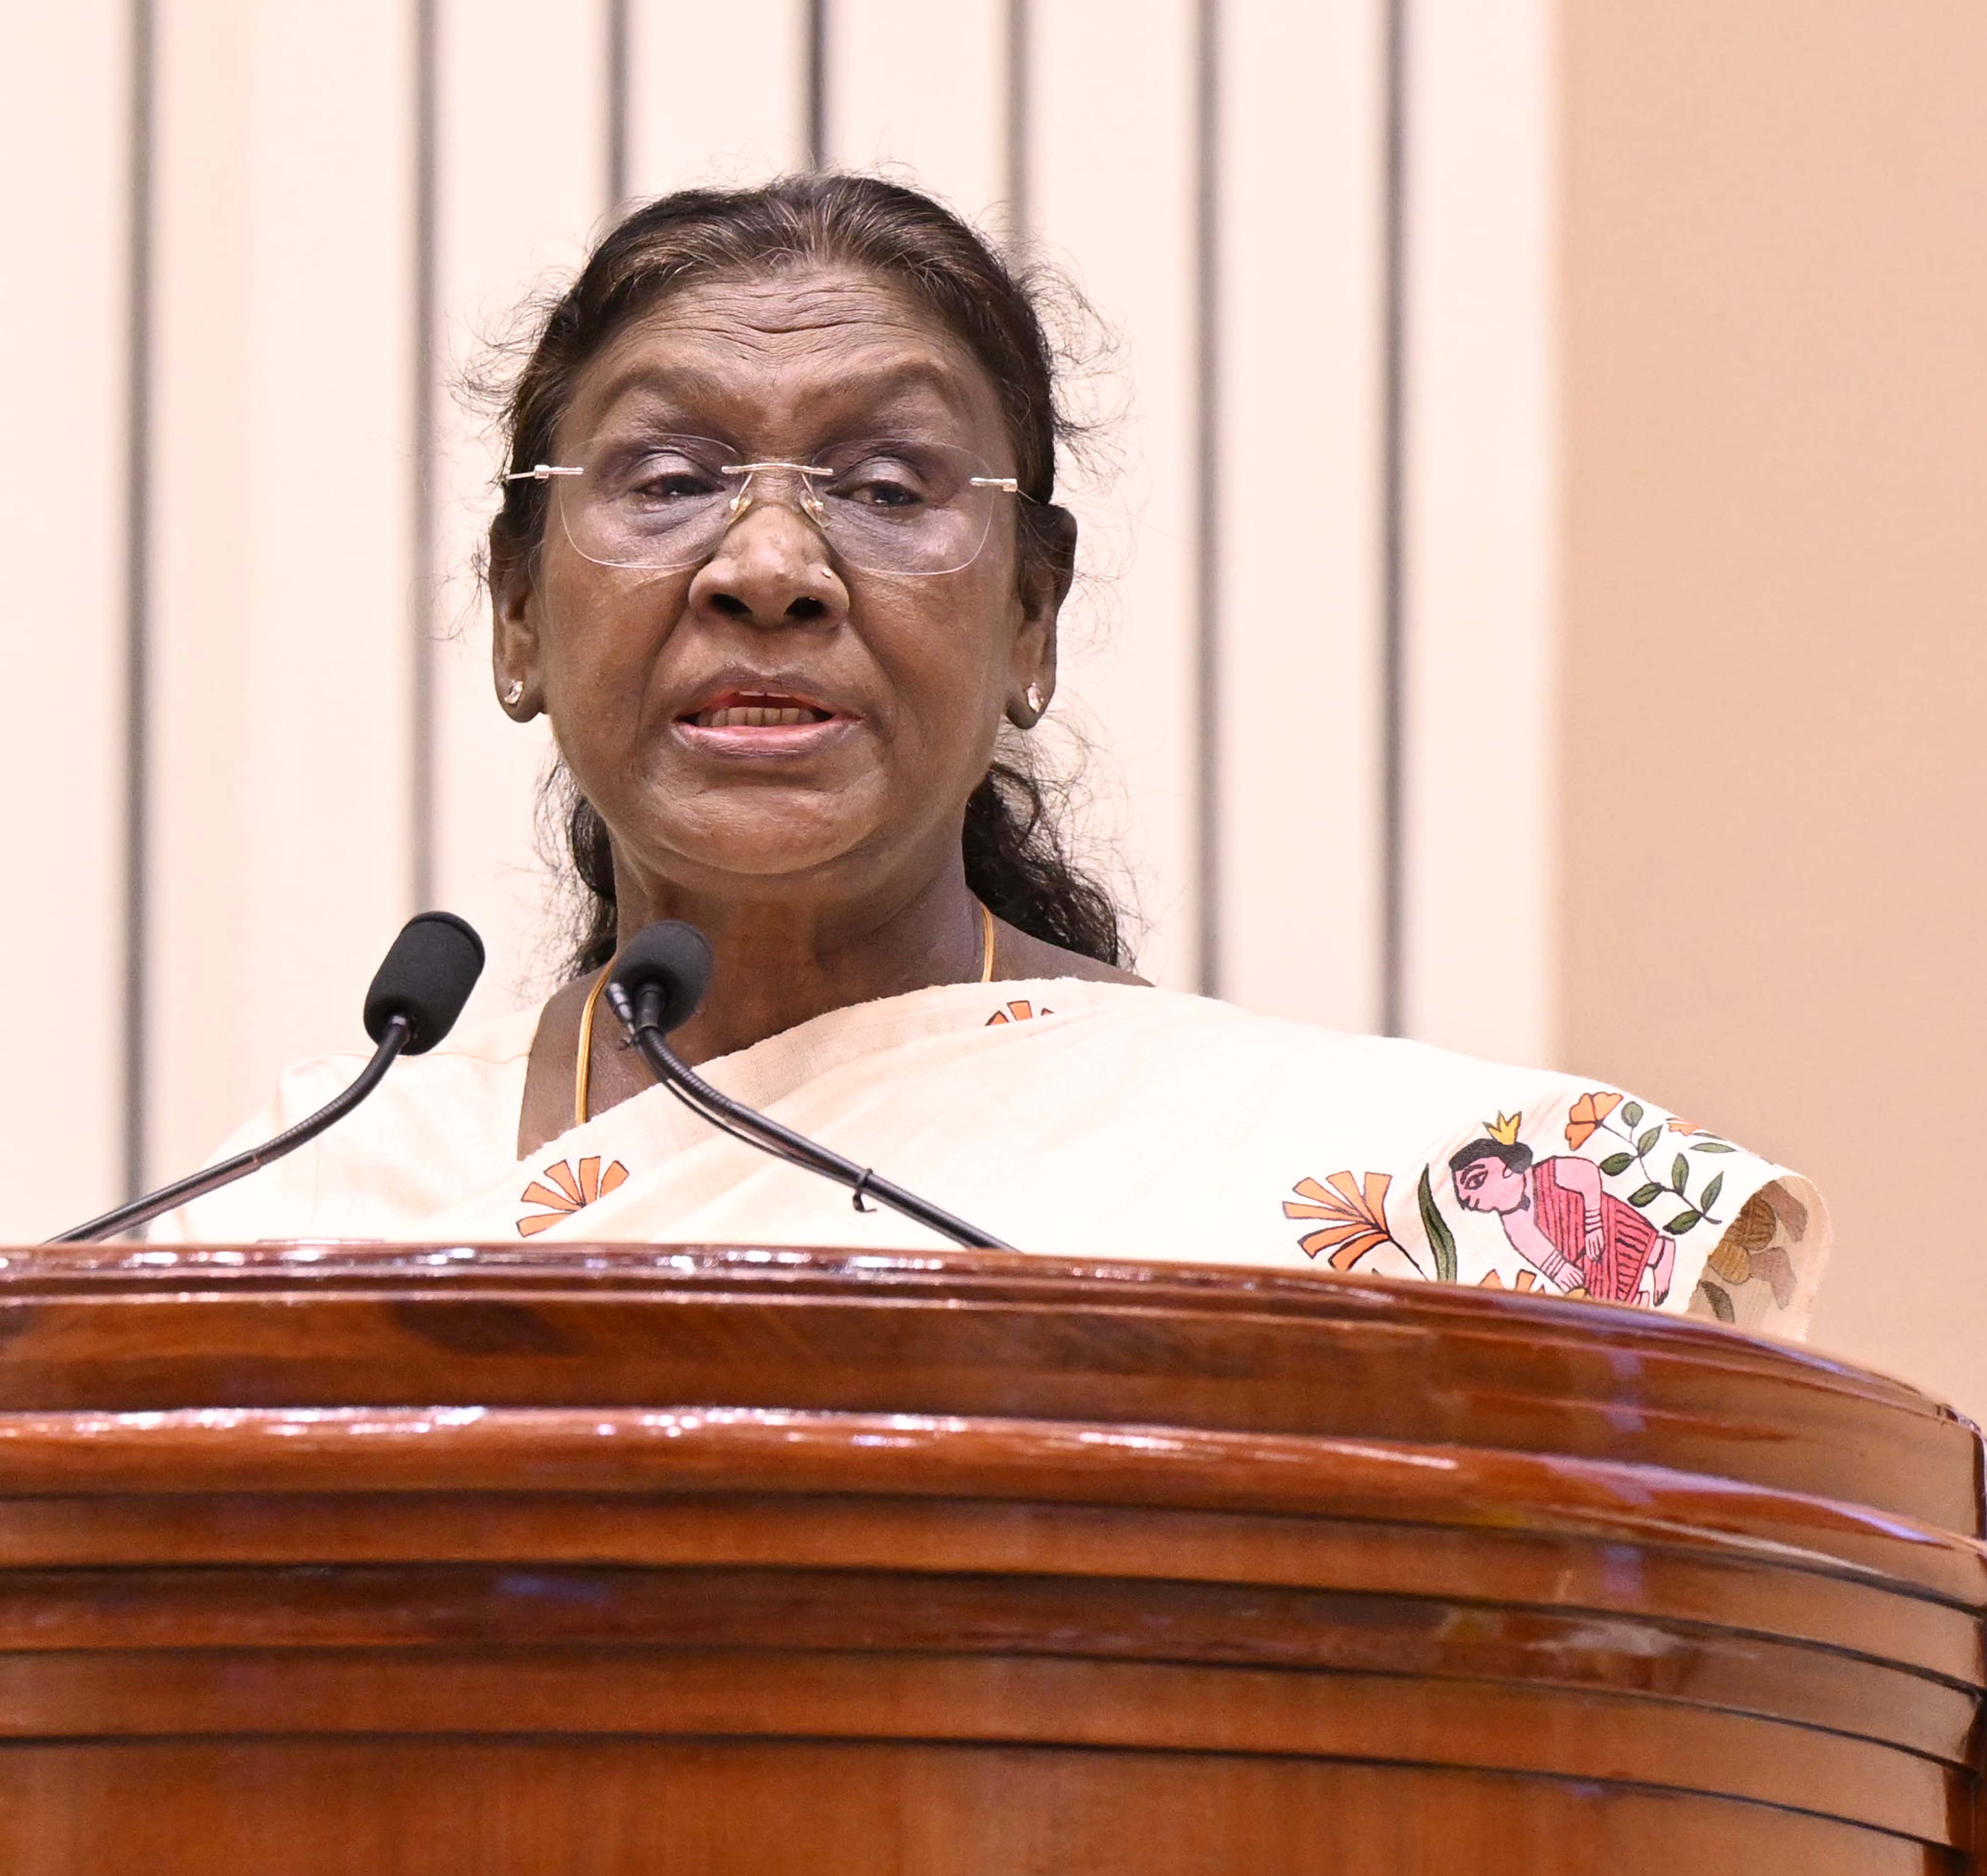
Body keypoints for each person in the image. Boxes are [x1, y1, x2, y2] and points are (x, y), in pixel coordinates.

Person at [171, 175, 1824, 1338]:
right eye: (667, 477)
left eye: (887, 491)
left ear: (1030, 623)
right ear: (516, 615)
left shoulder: (1421, 1201)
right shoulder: (294, 1214)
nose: (766, 565)